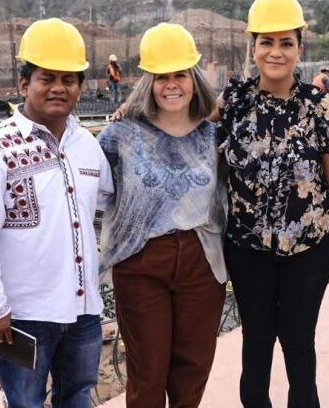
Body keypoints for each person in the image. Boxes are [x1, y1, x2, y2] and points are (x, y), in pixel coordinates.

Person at [0, 18, 114, 408]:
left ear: (80, 86)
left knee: (77, 395)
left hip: (83, 310)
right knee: (24, 402)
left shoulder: (86, 146)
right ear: (25, 84)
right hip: (21, 318)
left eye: (69, 79)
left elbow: (108, 199)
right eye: (47, 78)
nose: (59, 87)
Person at [217, 0, 329, 408]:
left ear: (300, 49)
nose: (275, 52)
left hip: (307, 250)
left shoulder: (322, 109)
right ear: (253, 47)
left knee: (298, 341)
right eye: (266, 42)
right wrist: (126, 115)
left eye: (286, 43)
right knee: (256, 340)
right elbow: (178, 119)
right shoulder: (232, 103)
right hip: (247, 248)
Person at [98, 22, 226, 408]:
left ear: (194, 78)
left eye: (181, 75)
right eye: (161, 76)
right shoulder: (120, 136)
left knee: (192, 369)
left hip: (201, 262)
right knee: (148, 372)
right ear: (147, 81)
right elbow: (90, 194)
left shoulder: (213, 135)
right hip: (140, 263)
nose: (172, 85)